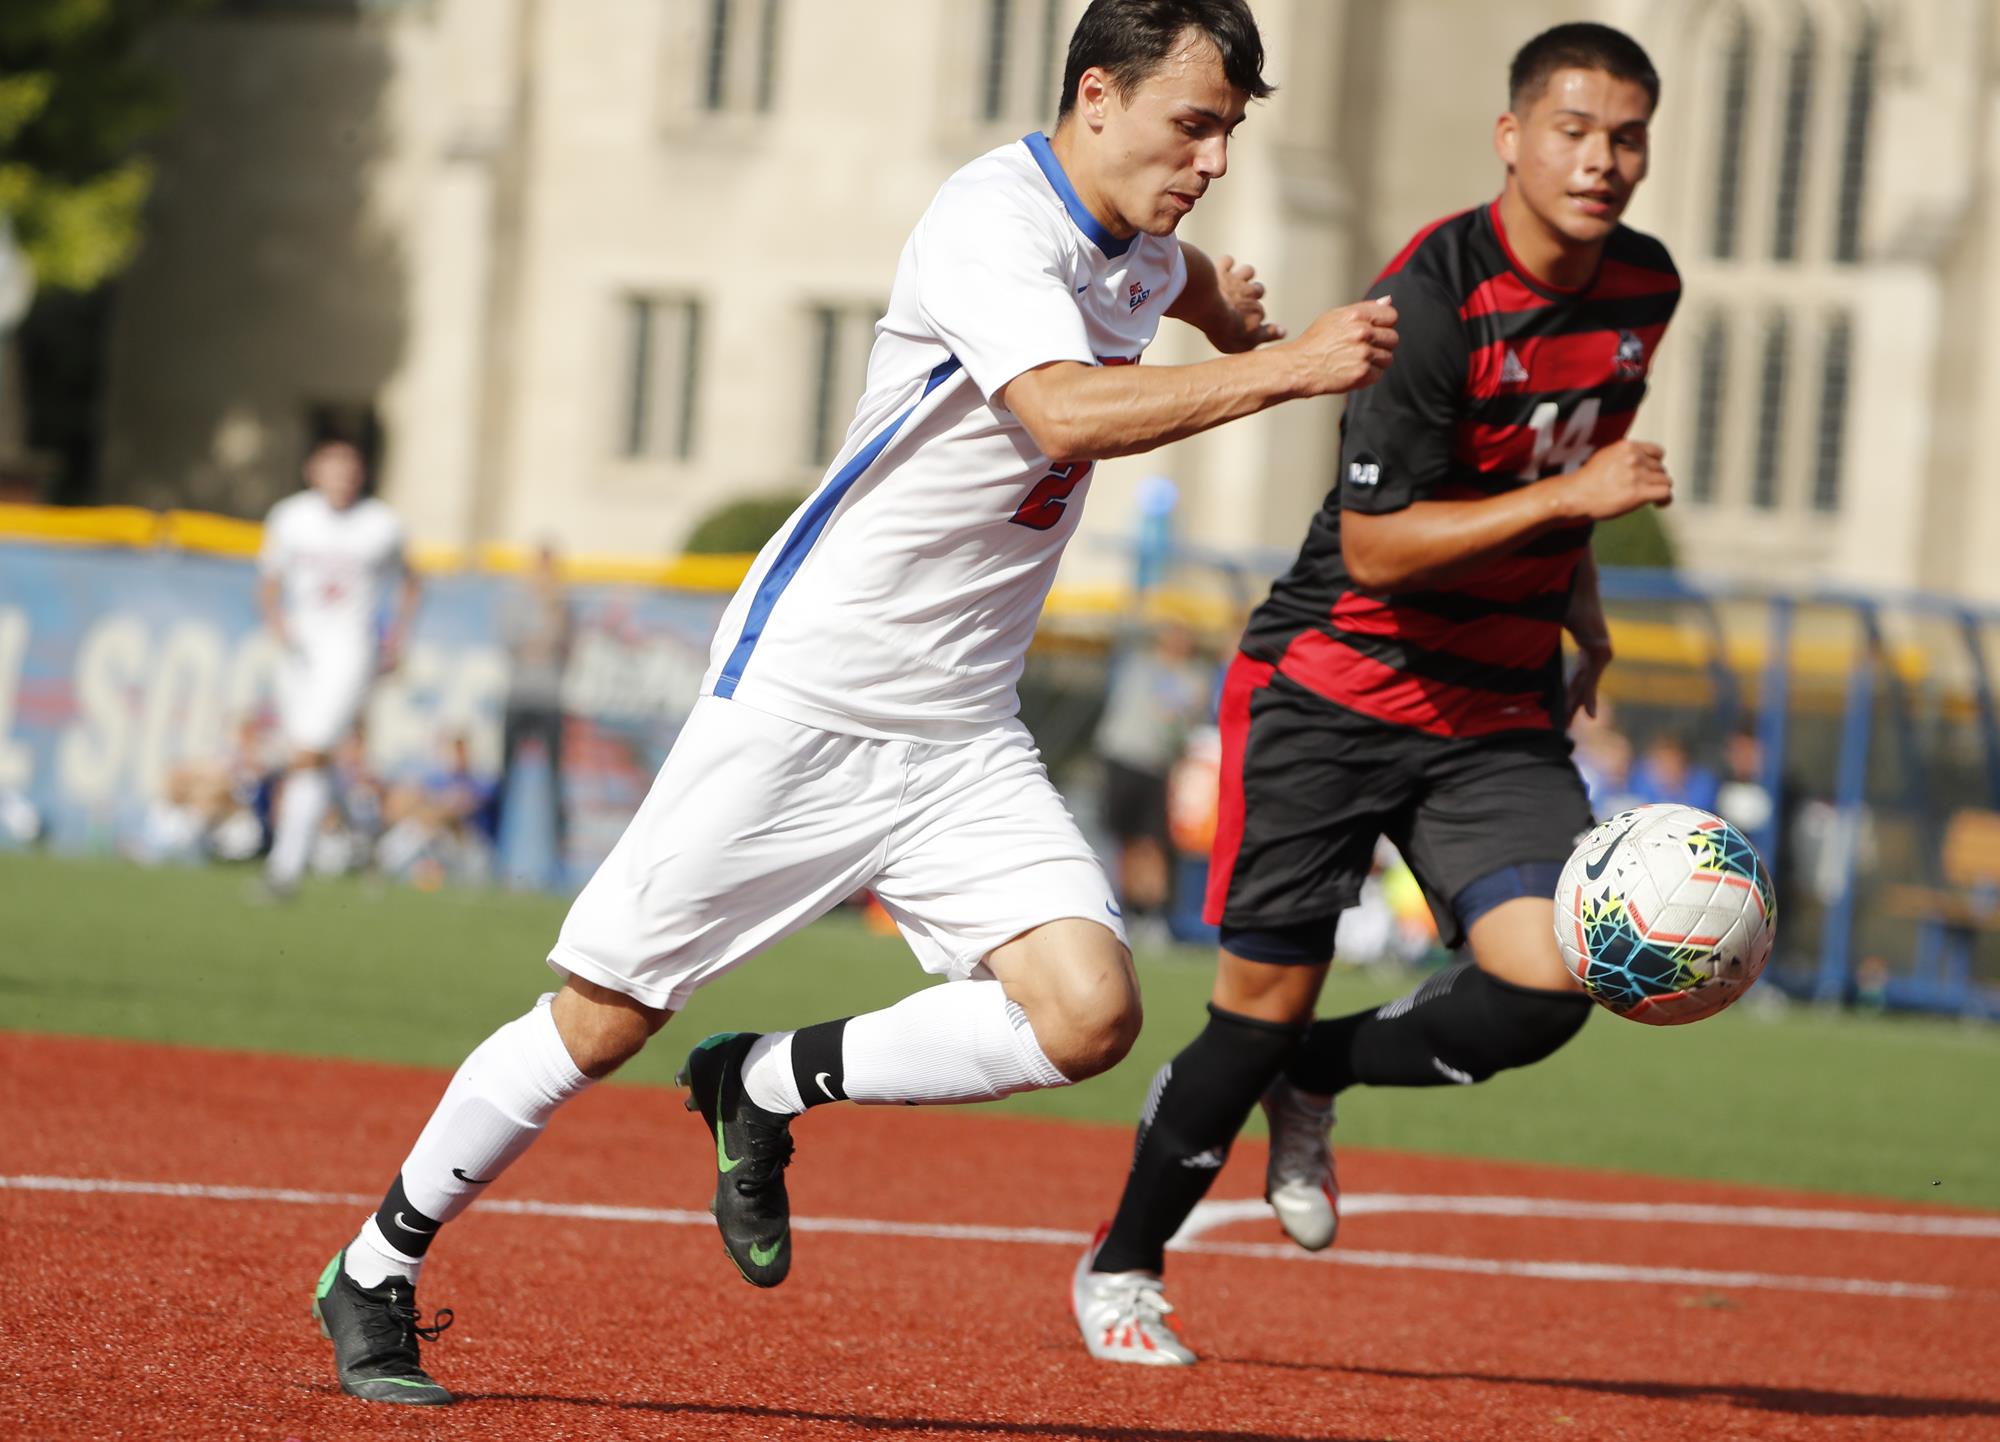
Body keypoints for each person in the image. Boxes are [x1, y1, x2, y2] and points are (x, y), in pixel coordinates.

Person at [310, 0, 1400, 1407]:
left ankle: (765, 1081)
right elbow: (1061, 410)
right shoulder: (987, 220)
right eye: (1194, 122)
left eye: (1231, 131)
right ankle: (377, 1265)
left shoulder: (1133, 241)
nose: (1213, 157)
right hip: (809, 690)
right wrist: (1285, 362)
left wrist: (1215, 301)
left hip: (959, 730)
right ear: (1096, 98)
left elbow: (1164, 275)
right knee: (600, 1016)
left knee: (1085, 1012)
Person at [1072, 21, 1679, 1366]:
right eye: (1574, 129)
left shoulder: (1645, 284)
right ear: (1512, 138)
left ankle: (1320, 1075)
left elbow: (1561, 446)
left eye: (1625, 135)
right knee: (1253, 1009)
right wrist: (1574, 500)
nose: (1601, 157)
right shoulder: (1432, 296)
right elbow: (1376, 545)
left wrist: (1579, 596)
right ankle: (1122, 1264)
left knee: (1551, 977)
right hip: (1332, 689)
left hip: (1496, 706)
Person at [257, 436, 420, 899]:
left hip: (350, 648)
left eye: (350, 470)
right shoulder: (290, 516)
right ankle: (354, 838)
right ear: (314, 471)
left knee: (307, 751)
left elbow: (412, 583)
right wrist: (277, 626)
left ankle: (282, 861)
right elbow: (269, 582)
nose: (342, 479)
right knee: (314, 763)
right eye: (334, 469)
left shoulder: (381, 524)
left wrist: (396, 638)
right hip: (299, 649)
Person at [1094, 617, 1213, 939]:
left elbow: (1188, 724)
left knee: (1154, 842)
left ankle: (1154, 913)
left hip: (1157, 765)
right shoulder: (1139, 665)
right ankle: (1128, 908)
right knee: (1124, 838)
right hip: (1123, 758)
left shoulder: (1193, 678)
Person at [499, 541, 574, 857]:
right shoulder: (515, 601)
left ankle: (558, 859)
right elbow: (513, 643)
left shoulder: (562, 604)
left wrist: (552, 609)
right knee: (505, 779)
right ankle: (496, 853)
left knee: (554, 783)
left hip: (550, 700)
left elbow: (561, 643)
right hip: (519, 698)